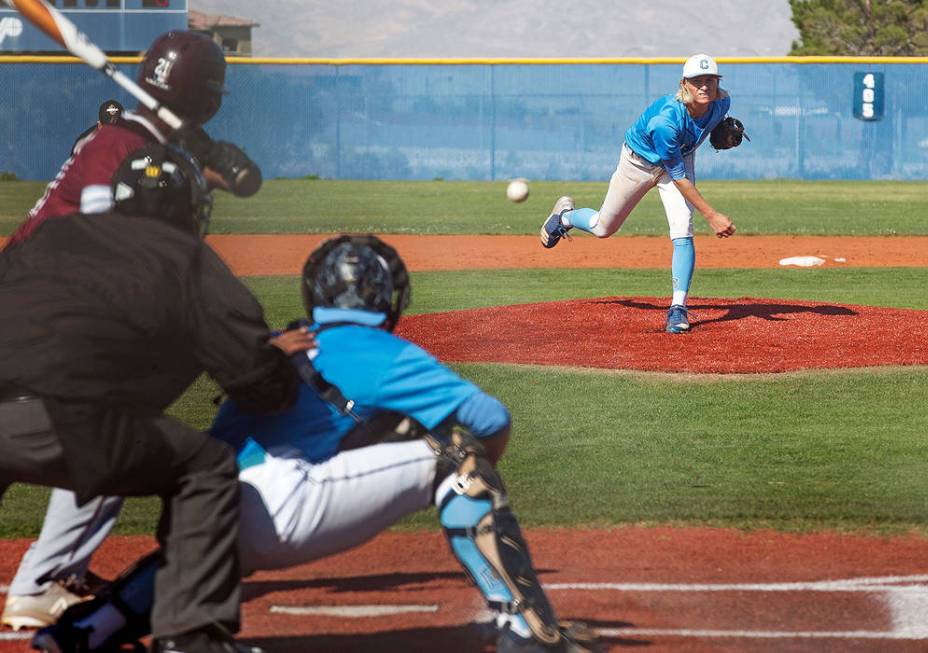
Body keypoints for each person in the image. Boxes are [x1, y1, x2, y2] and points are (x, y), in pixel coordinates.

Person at [29, 235, 601, 653]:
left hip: (203, 518)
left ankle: (85, 630)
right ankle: (527, 630)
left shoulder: (280, 345)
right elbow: (490, 419)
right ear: (389, 297)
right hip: (285, 509)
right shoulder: (384, 350)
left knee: (204, 539)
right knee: (457, 452)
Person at [0, 144, 312, 653]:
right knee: (206, 467)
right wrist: (270, 355)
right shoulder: (186, 255)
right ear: (191, 207)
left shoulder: (53, 236)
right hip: (64, 419)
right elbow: (256, 384)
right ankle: (191, 635)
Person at [1, 29, 263, 632]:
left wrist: (209, 159)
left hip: (27, 309)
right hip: (44, 315)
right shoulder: (122, 145)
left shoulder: (134, 141)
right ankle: (41, 581)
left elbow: (243, 181)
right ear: (211, 96)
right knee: (115, 419)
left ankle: (54, 573)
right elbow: (116, 240)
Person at [539, 53, 744, 334]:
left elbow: (702, 131)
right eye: (698, 81)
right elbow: (679, 178)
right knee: (603, 227)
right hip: (639, 163)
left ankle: (678, 308)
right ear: (684, 83)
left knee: (682, 228)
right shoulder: (666, 121)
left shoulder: (722, 102)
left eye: (710, 80)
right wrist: (712, 215)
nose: (705, 86)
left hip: (679, 158)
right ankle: (566, 217)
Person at [4, 29, 259, 249]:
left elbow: (246, 183)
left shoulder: (171, 143)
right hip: (33, 276)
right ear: (209, 104)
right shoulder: (118, 139)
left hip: (67, 272)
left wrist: (225, 162)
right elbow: (97, 227)